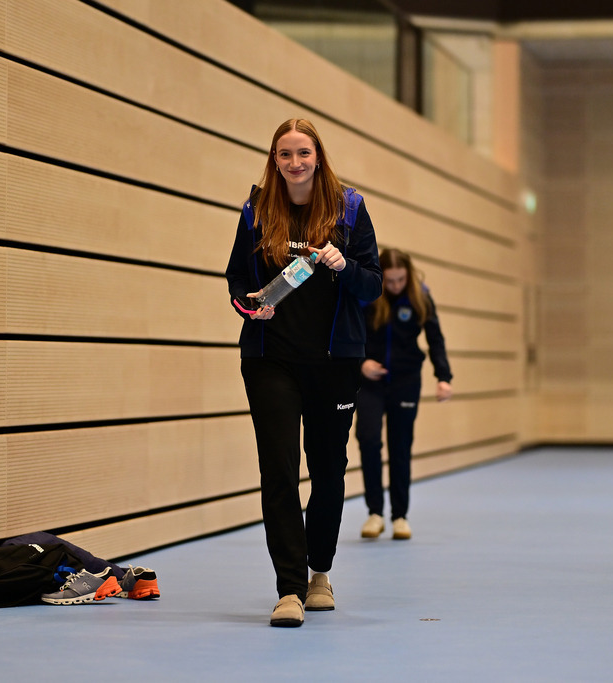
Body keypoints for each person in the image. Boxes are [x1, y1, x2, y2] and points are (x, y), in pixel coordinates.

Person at [225, 118, 382, 627]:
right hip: (270, 360)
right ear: (274, 160)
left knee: (329, 471)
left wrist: (344, 265)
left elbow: (372, 285)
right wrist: (251, 306)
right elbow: (236, 280)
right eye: (285, 154)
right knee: (278, 470)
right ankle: (289, 588)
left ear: (318, 157)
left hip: (334, 363)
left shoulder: (349, 209)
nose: (295, 163)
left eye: (303, 153)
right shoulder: (256, 211)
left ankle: (319, 574)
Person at [355, 248, 452, 541]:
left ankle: (400, 516)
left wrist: (443, 377)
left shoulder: (420, 297)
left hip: (405, 381)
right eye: (390, 281)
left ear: (408, 276)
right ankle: (375, 512)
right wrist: (361, 364)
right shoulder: (367, 294)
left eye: (401, 280)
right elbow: (350, 334)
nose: (396, 286)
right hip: (370, 381)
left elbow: (435, 338)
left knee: (400, 446)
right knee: (368, 439)